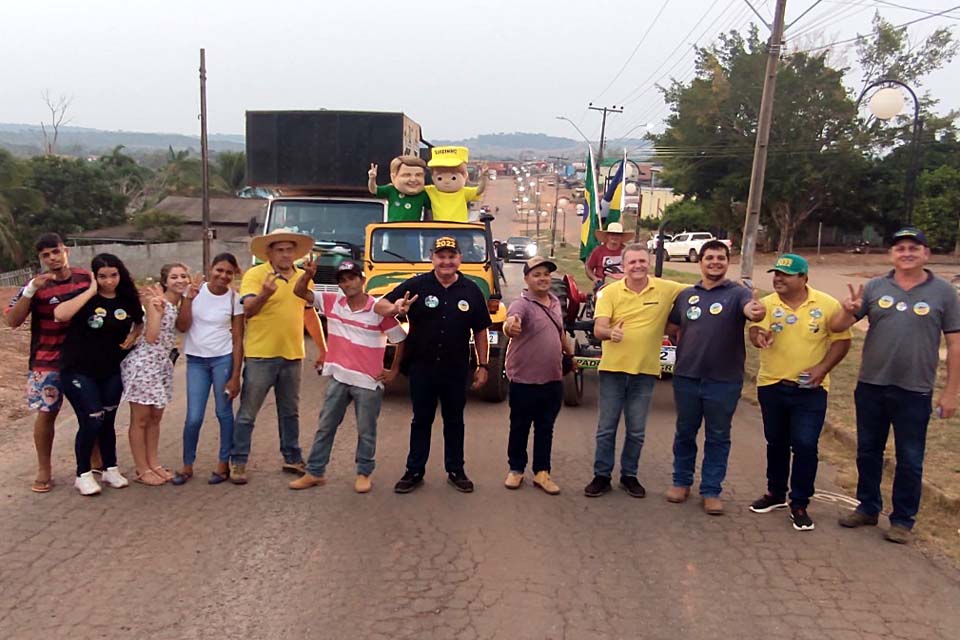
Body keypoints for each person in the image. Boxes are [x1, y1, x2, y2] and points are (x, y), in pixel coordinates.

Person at [831, 228, 960, 544]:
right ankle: (868, 507)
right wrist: (846, 310)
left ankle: (902, 519)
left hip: (914, 390)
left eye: (913, 248)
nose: (906, 253)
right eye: (900, 248)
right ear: (891, 254)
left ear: (926, 254)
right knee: (868, 451)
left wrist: (951, 391)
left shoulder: (944, 293)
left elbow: (955, 345)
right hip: (871, 385)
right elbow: (836, 327)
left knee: (910, 457)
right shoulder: (875, 287)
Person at [374, 236, 492, 494]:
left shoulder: (471, 290)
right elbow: (379, 304)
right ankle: (414, 471)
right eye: (441, 256)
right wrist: (395, 307)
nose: (447, 261)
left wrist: (483, 365)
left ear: (460, 259)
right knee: (421, 420)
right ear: (432, 258)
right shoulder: (417, 285)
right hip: (422, 368)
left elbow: (481, 331)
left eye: (452, 256)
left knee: (454, 421)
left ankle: (456, 470)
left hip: (455, 369)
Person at [748, 254, 851, 531]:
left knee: (805, 444)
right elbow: (755, 330)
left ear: (804, 278)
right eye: (776, 274)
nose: (778, 279)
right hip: (772, 384)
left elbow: (842, 342)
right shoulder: (767, 304)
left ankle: (800, 502)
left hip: (811, 389)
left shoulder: (827, 304)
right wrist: (758, 336)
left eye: (786, 275)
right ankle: (775, 493)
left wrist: (823, 368)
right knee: (776, 441)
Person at [665, 241, 766, 514]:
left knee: (718, 436)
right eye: (709, 257)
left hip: (724, 379)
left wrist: (756, 311)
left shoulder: (738, 293)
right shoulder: (687, 295)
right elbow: (672, 325)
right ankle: (681, 481)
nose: (715, 262)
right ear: (700, 262)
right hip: (687, 376)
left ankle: (711, 490)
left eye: (720, 258)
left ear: (727, 262)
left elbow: (752, 310)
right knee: (685, 432)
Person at [288, 260, 407, 493]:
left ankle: (364, 473)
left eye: (351, 278)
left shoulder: (376, 309)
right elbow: (299, 292)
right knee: (325, 426)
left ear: (362, 281)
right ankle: (315, 472)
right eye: (342, 280)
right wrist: (308, 275)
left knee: (366, 430)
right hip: (339, 378)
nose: (347, 283)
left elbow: (401, 339)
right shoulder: (332, 302)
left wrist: (394, 370)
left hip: (367, 381)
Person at [584, 243, 687, 498]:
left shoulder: (665, 289)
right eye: (632, 262)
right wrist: (611, 332)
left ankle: (629, 475)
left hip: (645, 372)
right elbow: (598, 330)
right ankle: (601, 475)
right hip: (613, 371)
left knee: (637, 429)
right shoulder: (610, 293)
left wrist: (737, 289)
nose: (638, 266)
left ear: (649, 262)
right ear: (624, 266)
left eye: (642, 261)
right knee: (607, 427)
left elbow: (703, 290)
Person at [229, 229, 327, 485]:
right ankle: (238, 461)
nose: (285, 254)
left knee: (290, 412)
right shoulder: (256, 275)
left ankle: (292, 457)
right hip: (261, 354)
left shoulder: (303, 278)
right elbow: (248, 310)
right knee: (248, 412)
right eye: (280, 250)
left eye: (289, 250)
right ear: (269, 253)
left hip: (292, 354)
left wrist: (323, 348)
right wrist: (264, 294)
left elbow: (309, 314)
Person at [5, 233, 93, 493]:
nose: (52, 258)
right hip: (47, 361)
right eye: (46, 255)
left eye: (56, 251)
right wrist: (31, 290)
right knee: (47, 414)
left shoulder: (85, 278)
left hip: (82, 359)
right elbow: (12, 321)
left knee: (91, 410)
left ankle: (96, 462)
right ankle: (44, 469)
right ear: (40, 259)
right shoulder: (35, 286)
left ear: (65, 250)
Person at [54, 254, 143, 495]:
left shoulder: (127, 299)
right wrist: (91, 290)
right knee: (92, 418)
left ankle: (110, 468)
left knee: (108, 419)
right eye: (102, 276)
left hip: (111, 369)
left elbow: (140, 321)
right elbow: (60, 315)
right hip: (78, 370)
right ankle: (82, 473)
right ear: (95, 277)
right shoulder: (85, 299)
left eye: (113, 275)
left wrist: (134, 336)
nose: (109, 281)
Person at [502, 257, 574, 495]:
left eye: (546, 274)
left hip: (552, 379)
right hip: (523, 379)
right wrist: (510, 326)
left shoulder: (554, 302)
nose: (543, 278)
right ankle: (516, 469)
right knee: (520, 426)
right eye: (536, 274)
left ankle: (542, 472)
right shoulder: (521, 304)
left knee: (545, 428)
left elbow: (560, 332)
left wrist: (570, 355)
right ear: (526, 279)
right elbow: (511, 321)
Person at [171, 253, 245, 486]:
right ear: (210, 269)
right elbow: (182, 327)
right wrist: (189, 300)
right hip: (196, 361)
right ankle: (186, 465)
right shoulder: (194, 292)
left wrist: (235, 376)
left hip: (222, 360)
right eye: (219, 270)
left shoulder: (234, 299)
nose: (223, 276)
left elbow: (238, 339)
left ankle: (223, 464)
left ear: (233, 275)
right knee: (193, 417)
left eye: (228, 272)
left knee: (223, 413)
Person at [121, 263, 189, 486]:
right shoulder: (157, 303)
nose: (180, 280)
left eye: (183, 276)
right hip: (145, 365)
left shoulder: (178, 306)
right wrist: (156, 311)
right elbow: (150, 337)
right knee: (140, 419)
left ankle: (154, 464)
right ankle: (142, 469)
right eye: (174, 277)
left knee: (155, 419)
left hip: (162, 366)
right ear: (165, 282)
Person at [367, 156, 430, 222]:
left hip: (413, 230)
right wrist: (372, 179)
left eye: (418, 175)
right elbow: (374, 190)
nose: (413, 179)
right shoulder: (391, 190)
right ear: (393, 177)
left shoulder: (423, 194)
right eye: (407, 175)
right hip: (393, 229)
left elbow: (434, 208)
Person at [585, 222, 628, 287]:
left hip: (623, 285)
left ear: (621, 237)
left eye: (617, 234)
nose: (615, 237)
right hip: (603, 286)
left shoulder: (627, 251)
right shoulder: (598, 251)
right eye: (612, 234)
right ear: (607, 236)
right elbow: (588, 267)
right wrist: (595, 278)